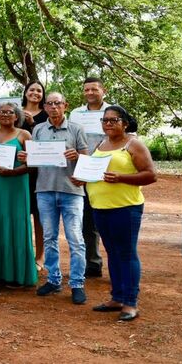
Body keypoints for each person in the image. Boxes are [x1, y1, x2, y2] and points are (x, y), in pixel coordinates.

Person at [80, 105, 156, 322]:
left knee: (127, 253)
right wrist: (82, 178)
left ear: (125, 123)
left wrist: (121, 178)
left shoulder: (134, 145)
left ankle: (130, 303)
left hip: (125, 207)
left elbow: (151, 175)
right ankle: (117, 297)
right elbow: (95, 173)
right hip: (100, 206)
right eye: (105, 120)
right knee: (112, 252)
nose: (108, 124)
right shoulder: (100, 144)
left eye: (114, 120)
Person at [20, 92, 90, 305]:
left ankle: (77, 283)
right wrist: (26, 157)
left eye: (57, 103)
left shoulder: (76, 129)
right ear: (45, 107)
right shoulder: (38, 129)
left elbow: (86, 159)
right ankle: (53, 279)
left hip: (71, 191)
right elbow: (33, 161)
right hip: (45, 190)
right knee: (49, 237)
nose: (53, 107)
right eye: (49, 104)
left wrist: (77, 157)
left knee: (75, 239)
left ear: (65, 106)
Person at [0, 101, 37, 288]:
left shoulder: (24, 135)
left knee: (16, 225)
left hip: (16, 187)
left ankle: (17, 274)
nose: (5, 114)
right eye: (1, 112)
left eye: (9, 112)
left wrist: (13, 172)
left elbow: (33, 164)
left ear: (16, 116)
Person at [69, 76, 110, 278]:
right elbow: (71, 139)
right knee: (87, 221)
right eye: (86, 90)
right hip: (83, 171)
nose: (90, 93)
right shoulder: (76, 114)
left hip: (107, 172)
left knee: (109, 220)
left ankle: (116, 266)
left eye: (94, 89)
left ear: (104, 91)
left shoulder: (113, 112)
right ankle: (92, 263)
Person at [20, 80, 48, 272]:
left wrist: (33, 123)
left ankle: (40, 256)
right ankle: (23, 255)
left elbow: (48, 141)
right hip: (18, 170)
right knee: (21, 214)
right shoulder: (15, 111)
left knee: (39, 215)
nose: (35, 93)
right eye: (32, 90)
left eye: (39, 91)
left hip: (40, 171)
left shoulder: (47, 114)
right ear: (25, 92)